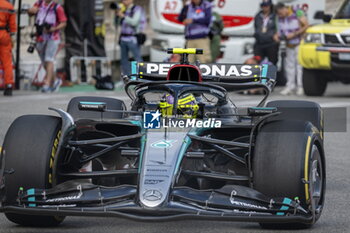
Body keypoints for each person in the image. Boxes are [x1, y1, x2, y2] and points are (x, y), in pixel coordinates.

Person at [28, 0, 67, 93]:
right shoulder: (38, 4)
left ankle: (47, 84)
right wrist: (31, 11)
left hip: (53, 37)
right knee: (44, 62)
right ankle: (56, 81)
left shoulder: (57, 7)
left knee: (49, 59)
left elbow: (63, 22)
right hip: (40, 37)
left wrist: (54, 28)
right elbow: (30, 13)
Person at [275, 3, 309, 96]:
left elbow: (306, 25)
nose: (280, 16)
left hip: (298, 43)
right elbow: (280, 30)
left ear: (283, 9)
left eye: (280, 13)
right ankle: (290, 86)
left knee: (299, 66)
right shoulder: (280, 17)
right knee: (289, 66)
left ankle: (300, 87)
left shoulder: (296, 12)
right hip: (288, 44)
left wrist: (294, 34)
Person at [117, 0, 145, 76]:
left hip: (133, 38)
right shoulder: (123, 10)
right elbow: (116, 24)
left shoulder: (137, 9)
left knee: (137, 59)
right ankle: (126, 77)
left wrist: (123, 16)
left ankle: (141, 77)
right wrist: (117, 15)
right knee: (124, 60)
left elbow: (134, 22)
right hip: (123, 38)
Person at [253, 0, 278, 66]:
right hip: (259, 43)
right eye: (263, 6)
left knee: (272, 63)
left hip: (271, 43)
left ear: (270, 6)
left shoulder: (275, 16)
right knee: (258, 62)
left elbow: (278, 28)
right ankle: (260, 76)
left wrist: (275, 35)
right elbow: (256, 27)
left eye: (266, 6)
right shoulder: (258, 16)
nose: (265, 7)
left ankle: (269, 76)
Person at [0, 0, 16, 96]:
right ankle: (9, 85)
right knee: (7, 62)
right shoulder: (9, 6)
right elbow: (13, 26)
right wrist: (12, 36)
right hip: (4, 35)